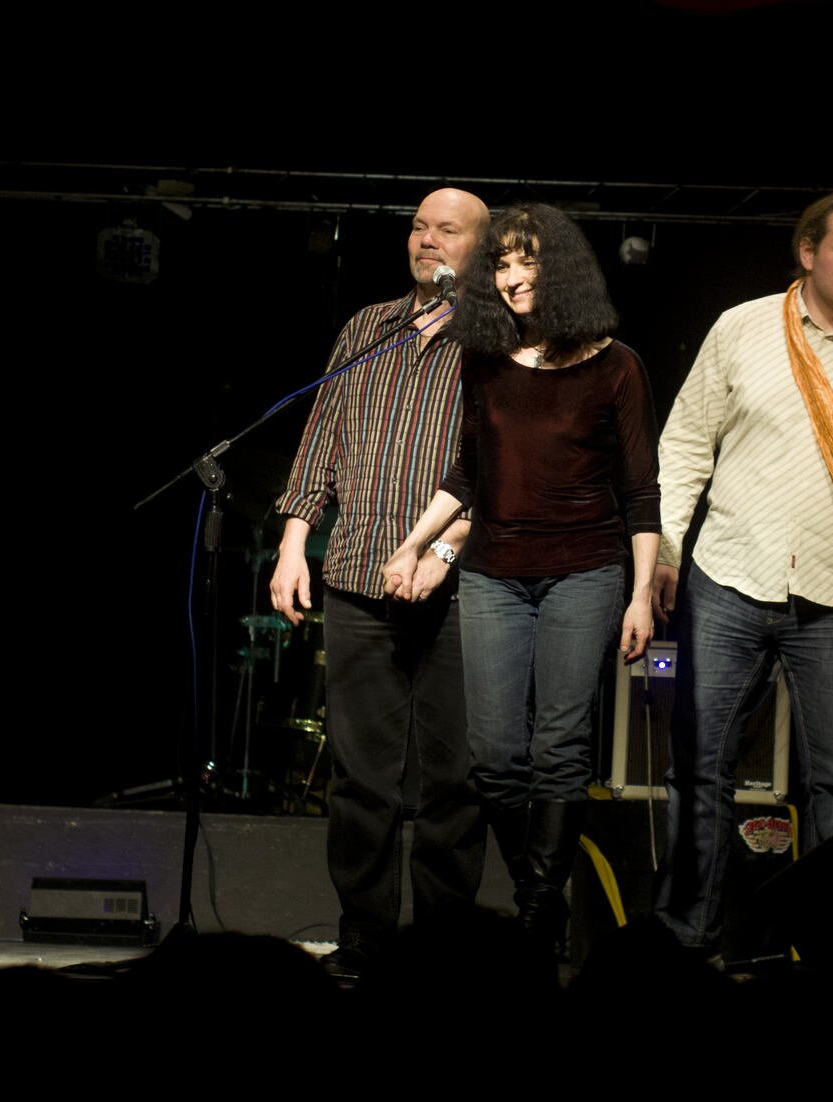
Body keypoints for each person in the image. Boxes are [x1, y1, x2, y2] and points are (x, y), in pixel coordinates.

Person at [650, 189, 833, 955]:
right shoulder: (741, 329)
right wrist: (669, 552)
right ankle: (686, 939)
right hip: (729, 577)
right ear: (808, 253)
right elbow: (685, 446)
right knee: (698, 767)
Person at [383, 203, 661, 959]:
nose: (511, 278)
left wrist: (640, 595)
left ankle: (536, 916)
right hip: (494, 575)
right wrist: (413, 545)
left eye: (526, 261)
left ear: (560, 266)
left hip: (585, 572)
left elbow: (641, 492)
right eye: (500, 264)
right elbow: (467, 472)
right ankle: (546, 894)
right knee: (494, 756)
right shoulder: (485, 360)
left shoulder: (617, 366)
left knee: (558, 748)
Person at [271, 188, 492, 979]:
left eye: (448, 231)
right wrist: (294, 541)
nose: (428, 241)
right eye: (419, 228)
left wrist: (449, 550)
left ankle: (441, 955)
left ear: (482, 247)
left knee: (453, 785)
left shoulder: (500, 336)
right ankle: (364, 943)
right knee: (361, 783)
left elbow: (510, 464)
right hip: (359, 576)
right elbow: (322, 437)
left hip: (460, 590)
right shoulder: (368, 327)